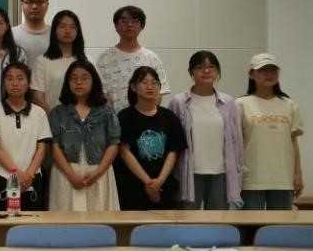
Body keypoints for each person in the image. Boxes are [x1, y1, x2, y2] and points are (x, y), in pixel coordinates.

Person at [168, 51, 244, 210]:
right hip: (189, 172)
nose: (206, 71)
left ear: (218, 71)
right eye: (199, 67)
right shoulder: (179, 102)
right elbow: (172, 140)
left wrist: (238, 170)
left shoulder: (228, 102)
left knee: (218, 220)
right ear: (191, 72)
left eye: (211, 66)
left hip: (221, 172)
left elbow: (236, 140)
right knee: (187, 219)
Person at [48, 60, 121, 211]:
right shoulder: (58, 112)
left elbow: (114, 144)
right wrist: (71, 174)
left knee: (99, 216)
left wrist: (98, 172)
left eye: (84, 78)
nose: (79, 82)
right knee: (66, 218)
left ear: (94, 81)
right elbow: (54, 146)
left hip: (98, 170)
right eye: (74, 78)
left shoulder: (106, 111)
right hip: (66, 172)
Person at [237, 53, 305, 210]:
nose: (269, 74)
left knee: (281, 223)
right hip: (251, 180)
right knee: (251, 223)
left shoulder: (289, 105)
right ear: (251, 74)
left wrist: (298, 174)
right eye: (262, 70)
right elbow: (235, 145)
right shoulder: (240, 104)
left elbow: (293, 142)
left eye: (273, 70)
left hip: (283, 179)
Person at [116, 66, 186, 211]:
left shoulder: (169, 117)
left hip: (164, 185)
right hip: (132, 187)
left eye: (154, 83)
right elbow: (124, 152)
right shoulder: (124, 117)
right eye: (144, 82)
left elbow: (173, 152)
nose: (150, 86)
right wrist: (148, 183)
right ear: (133, 87)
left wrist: (159, 182)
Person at [0, 63, 50, 212]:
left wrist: (29, 175)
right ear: (4, 83)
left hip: (31, 178)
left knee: (31, 223)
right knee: (1, 223)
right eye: (10, 79)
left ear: (28, 83)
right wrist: (17, 173)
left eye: (20, 78)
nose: (15, 83)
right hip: (1, 177)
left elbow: (41, 149)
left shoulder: (39, 113)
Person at [96, 6, 170, 113]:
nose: (129, 25)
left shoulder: (151, 57)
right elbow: (102, 93)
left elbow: (159, 93)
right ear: (116, 26)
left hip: (145, 118)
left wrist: (145, 114)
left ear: (142, 26)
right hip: (115, 118)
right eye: (124, 21)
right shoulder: (104, 58)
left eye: (135, 21)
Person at [32, 10, 86, 113]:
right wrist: (54, 117)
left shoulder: (87, 60)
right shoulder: (42, 61)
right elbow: (37, 97)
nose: (67, 31)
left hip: (84, 119)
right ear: (54, 30)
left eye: (72, 27)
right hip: (52, 117)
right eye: (62, 26)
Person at [12, 0, 51, 66]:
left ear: (47, 5)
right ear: (22, 5)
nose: (34, 6)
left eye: (40, 2)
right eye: (29, 2)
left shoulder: (56, 34)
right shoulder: (11, 34)